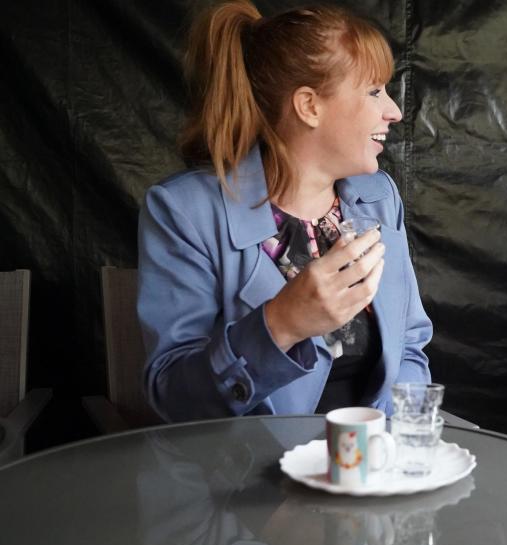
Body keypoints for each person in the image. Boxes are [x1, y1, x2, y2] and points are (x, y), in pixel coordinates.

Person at [138, 0, 431, 422]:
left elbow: (408, 346)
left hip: (370, 466)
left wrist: (404, 446)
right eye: (373, 91)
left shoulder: (378, 196)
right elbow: (175, 400)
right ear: (309, 105)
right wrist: (282, 323)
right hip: (248, 477)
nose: (395, 111)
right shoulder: (184, 212)